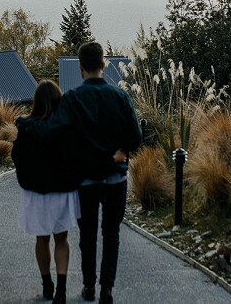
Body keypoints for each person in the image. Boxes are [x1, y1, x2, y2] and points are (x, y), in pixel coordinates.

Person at [17, 42, 143, 304]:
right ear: (103, 64)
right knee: (111, 233)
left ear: (80, 67)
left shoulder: (73, 99)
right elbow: (135, 136)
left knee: (88, 234)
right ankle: (106, 289)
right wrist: (117, 154)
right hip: (115, 178)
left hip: (87, 180)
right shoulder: (120, 97)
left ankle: (89, 287)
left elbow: (49, 129)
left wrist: (22, 123)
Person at [12, 80, 82, 303]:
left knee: (41, 239)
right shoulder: (66, 127)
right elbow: (75, 157)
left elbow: (16, 156)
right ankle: (61, 289)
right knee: (62, 239)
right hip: (62, 190)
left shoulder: (26, 128)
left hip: (36, 192)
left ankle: (47, 285)